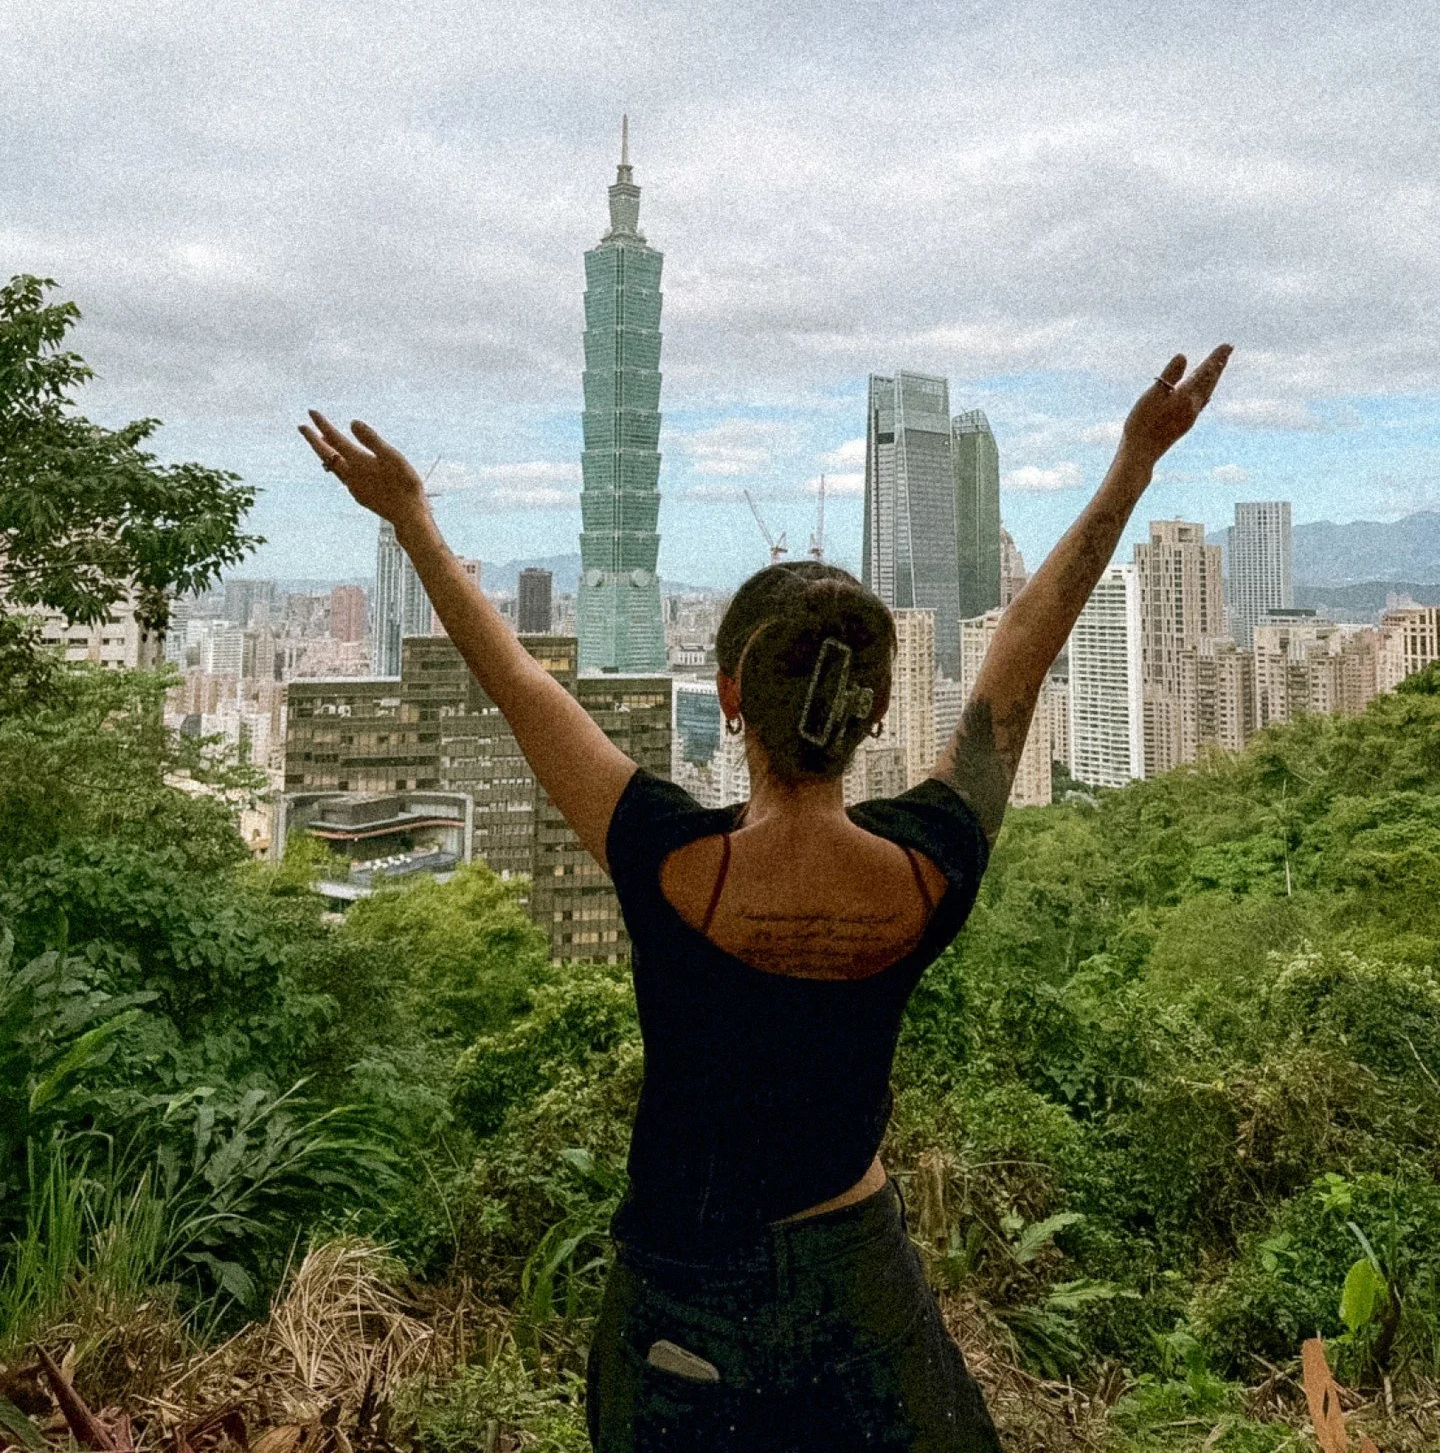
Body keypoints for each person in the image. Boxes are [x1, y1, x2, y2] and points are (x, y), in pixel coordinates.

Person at [300, 342, 1230, 1452]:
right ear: (879, 710)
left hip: (683, 1291)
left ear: (729, 696)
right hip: (860, 1278)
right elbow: (1018, 666)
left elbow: (519, 683)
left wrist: (414, 520)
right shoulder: (927, 869)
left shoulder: (664, 859)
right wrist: (1133, 463)